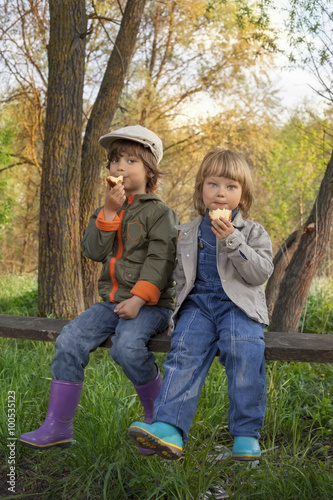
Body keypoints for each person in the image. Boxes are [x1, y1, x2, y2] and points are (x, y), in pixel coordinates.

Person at [19, 125, 179, 452]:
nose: (119, 167)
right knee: (70, 339)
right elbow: (91, 250)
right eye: (114, 161)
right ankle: (58, 426)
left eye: (130, 161)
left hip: (150, 305)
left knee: (127, 347)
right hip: (110, 303)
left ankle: (157, 421)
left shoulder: (160, 212)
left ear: (149, 170)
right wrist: (108, 213)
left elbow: (160, 260)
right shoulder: (107, 208)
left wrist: (138, 299)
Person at [128, 148, 274, 461]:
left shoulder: (253, 232)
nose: (221, 193)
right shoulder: (187, 232)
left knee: (244, 350)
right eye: (213, 184)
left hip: (239, 305)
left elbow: (259, 274)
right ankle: (169, 428)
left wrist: (233, 241)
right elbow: (182, 279)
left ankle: (246, 435)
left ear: (242, 195)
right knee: (183, 352)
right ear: (201, 189)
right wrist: (175, 318)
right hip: (199, 305)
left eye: (231, 187)